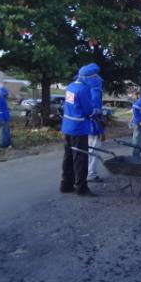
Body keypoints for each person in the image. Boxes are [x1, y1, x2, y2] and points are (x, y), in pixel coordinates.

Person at [60, 64, 97, 196]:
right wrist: (95, 112)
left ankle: (66, 185)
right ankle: (81, 188)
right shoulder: (84, 89)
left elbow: (73, 106)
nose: (96, 79)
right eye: (94, 77)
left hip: (68, 127)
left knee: (68, 156)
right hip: (79, 128)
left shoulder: (71, 86)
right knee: (81, 158)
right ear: (87, 77)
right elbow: (88, 110)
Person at [86, 64, 105, 183]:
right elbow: (95, 113)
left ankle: (86, 173)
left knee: (88, 150)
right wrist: (101, 130)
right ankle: (91, 174)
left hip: (84, 127)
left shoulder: (81, 89)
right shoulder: (95, 92)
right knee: (94, 151)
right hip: (93, 127)